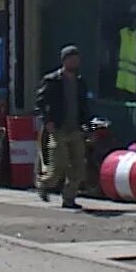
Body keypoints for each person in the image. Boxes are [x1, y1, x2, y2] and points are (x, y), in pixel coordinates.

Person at [35, 45, 92, 208]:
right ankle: (43, 183)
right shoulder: (52, 80)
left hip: (76, 128)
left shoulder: (80, 82)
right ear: (65, 60)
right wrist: (48, 121)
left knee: (79, 166)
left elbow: (85, 106)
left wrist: (88, 127)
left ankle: (69, 198)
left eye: (77, 58)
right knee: (59, 165)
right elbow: (40, 102)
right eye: (72, 58)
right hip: (58, 128)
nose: (75, 61)